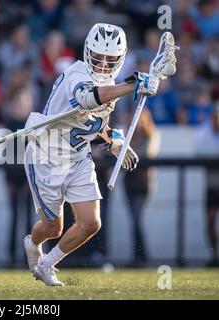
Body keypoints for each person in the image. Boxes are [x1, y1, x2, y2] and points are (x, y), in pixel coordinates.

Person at [23, 23, 163, 286]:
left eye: (110, 59)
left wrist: (115, 141)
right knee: (53, 228)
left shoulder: (110, 83)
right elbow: (89, 99)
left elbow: (96, 123)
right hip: (47, 155)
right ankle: (32, 242)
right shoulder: (76, 75)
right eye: (98, 57)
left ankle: (46, 265)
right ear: (88, 52)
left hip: (77, 156)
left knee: (90, 223)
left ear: (120, 59)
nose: (102, 64)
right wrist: (132, 85)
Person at [123, 107, 160, 267]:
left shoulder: (151, 135)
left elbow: (145, 154)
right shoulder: (128, 135)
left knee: (137, 220)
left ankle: (142, 256)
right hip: (129, 183)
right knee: (133, 220)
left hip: (144, 183)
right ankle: (138, 256)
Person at [195, 102, 219, 267]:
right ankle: (214, 255)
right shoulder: (204, 132)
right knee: (210, 220)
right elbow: (199, 154)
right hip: (212, 183)